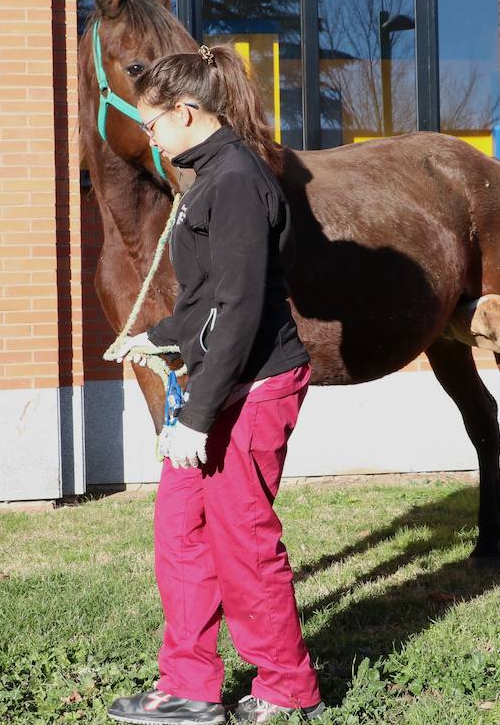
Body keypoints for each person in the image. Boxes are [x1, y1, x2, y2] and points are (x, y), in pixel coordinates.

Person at [106, 44, 323, 725]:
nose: (149, 137)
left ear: (187, 112)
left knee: (242, 537)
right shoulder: (208, 177)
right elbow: (212, 298)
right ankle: (190, 685)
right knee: (180, 528)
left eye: (152, 124)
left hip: (255, 385)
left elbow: (241, 309)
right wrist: (161, 335)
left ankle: (288, 688)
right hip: (217, 381)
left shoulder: (233, 181)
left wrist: (195, 418)